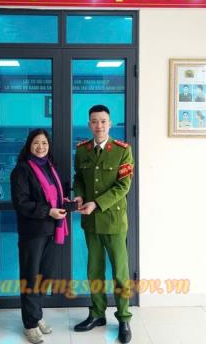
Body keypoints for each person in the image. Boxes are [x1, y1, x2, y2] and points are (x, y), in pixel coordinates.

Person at [73, 105, 134, 344]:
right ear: (89, 124)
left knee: (120, 272)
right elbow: (78, 178)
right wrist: (79, 195)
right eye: (94, 121)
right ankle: (97, 314)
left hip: (114, 221)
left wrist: (97, 203)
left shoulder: (123, 151)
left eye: (103, 121)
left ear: (110, 124)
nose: (99, 125)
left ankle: (124, 318)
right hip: (91, 222)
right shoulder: (82, 150)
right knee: (94, 270)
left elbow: (123, 186)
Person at [10, 129, 68, 344]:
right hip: (32, 232)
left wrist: (68, 202)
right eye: (36, 143)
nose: (41, 147)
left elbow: (55, 197)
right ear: (29, 145)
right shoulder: (22, 170)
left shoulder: (50, 167)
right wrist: (48, 211)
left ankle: (37, 314)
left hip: (52, 230)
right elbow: (21, 203)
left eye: (44, 143)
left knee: (45, 276)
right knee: (30, 277)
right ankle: (30, 324)